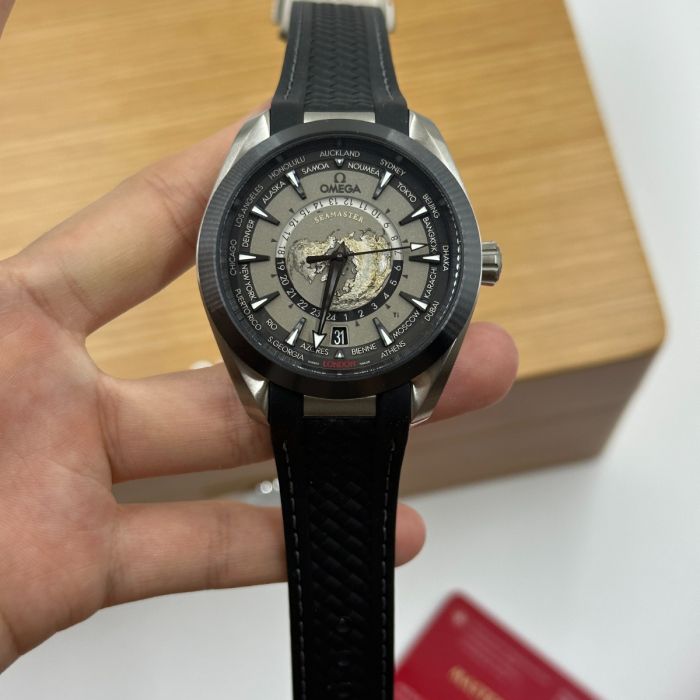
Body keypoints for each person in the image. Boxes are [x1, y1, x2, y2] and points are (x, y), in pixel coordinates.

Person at [0, 0, 518, 672]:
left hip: (340, 373)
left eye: (348, 254)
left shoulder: (374, 151)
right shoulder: (393, 154)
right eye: (330, 257)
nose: (339, 257)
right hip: (307, 375)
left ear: (473, 261)